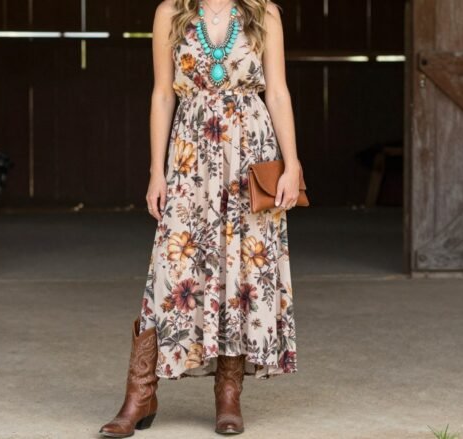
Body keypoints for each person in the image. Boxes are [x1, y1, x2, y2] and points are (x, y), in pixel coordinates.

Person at [100, 0, 302, 436]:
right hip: (190, 155)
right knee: (171, 268)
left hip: (250, 154)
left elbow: (278, 91)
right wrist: (157, 170)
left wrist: (293, 162)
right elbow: (161, 93)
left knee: (241, 268)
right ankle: (140, 392)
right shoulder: (170, 11)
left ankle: (228, 394)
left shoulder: (264, 12)